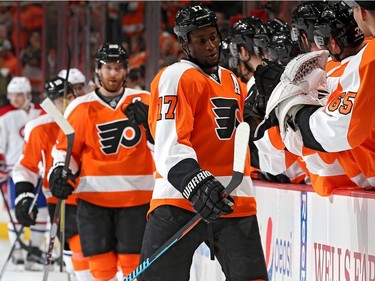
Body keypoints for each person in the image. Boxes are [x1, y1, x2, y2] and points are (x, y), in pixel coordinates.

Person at [138, 4, 267, 281]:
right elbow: (169, 141)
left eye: (213, 37)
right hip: (179, 200)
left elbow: (242, 133)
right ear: (184, 43)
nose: (211, 45)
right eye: (200, 40)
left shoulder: (232, 80)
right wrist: (197, 183)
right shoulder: (176, 77)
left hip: (234, 198)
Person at [49, 42, 155, 281]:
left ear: (127, 70)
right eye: (108, 67)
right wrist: (60, 173)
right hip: (93, 200)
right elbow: (67, 152)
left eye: (119, 68)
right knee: (101, 270)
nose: (114, 73)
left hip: (137, 199)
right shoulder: (78, 107)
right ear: (98, 70)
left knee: (134, 268)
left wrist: (150, 127)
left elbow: (165, 146)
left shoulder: (146, 100)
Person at [262, 1, 375, 191]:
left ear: (361, 13)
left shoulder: (366, 61)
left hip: (343, 190)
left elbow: (338, 131)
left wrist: (291, 109)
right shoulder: (362, 58)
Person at [12, 76, 93, 279]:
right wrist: (23, 195)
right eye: (60, 99)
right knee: (75, 251)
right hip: (61, 199)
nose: (66, 102)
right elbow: (26, 166)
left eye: (69, 96)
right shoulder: (38, 128)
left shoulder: (87, 116)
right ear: (49, 103)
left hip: (95, 195)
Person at [0, 76, 47, 267]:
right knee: (17, 210)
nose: (14, 99)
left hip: (41, 171)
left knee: (41, 212)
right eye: (11, 95)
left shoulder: (42, 113)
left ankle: (34, 250)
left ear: (27, 94)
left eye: (18, 95)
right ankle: (17, 250)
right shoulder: (5, 117)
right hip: (16, 172)